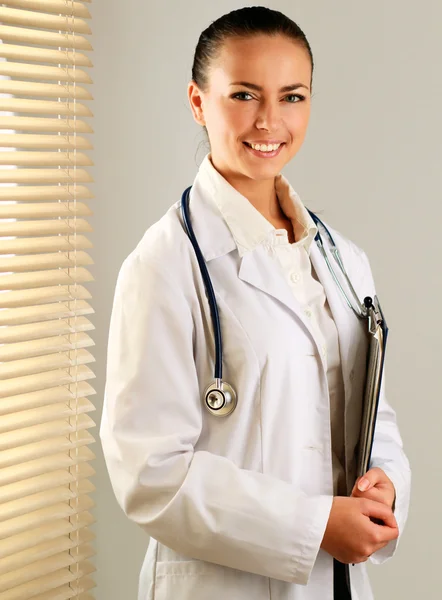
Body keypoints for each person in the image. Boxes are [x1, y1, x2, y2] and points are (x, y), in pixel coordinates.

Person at [100, 6, 411, 600]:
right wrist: (314, 525)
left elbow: (376, 412)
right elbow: (150, 473)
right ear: (198, 102)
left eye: (292, 96)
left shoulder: (342, 258)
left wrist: (386, 485)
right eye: (244, 94)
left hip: (338, 582)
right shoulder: (165, 265)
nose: (270, 120)